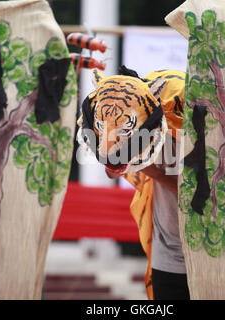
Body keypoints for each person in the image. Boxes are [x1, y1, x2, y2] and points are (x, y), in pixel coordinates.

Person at [77, 66, 189, 300]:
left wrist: (145, 166)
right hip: (167, 258)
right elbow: (111, 171)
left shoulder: (177, 132)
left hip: (202, 255)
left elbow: (192, 195)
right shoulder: (130, 141)